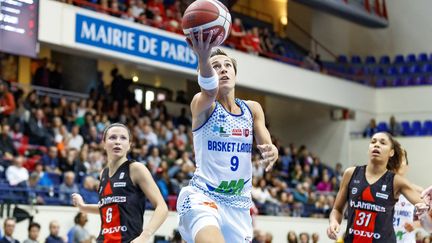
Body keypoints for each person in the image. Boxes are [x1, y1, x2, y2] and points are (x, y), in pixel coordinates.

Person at [176, 30, 278, 243]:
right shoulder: (203, 104)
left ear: (235, 74)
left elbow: (265, 144)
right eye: (216, 67)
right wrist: (204, 58)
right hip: (203, 197)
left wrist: (272, 150)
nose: (222, 69)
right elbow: (209, 92)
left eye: (227, 65)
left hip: (238, 206)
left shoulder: (252, 109)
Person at [72, 123, 168, 242]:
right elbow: (109, 207)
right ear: (104, 144)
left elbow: (162, 207)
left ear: (129, 145)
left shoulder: (136, 169)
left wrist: (145, 235)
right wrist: (83, 207)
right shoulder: (103, 174)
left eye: (123, 138)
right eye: (112, 137)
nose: (118, 142)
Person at [327, 132, 426, 242]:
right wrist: (334, 222)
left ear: (391, 152)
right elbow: (337, 209)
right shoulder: (351, 173)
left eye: (382, 143)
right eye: (373, 142)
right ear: (368, 149)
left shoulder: (396, 181)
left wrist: (425, 207)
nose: (376, 145)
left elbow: (425, 205)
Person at [394, 149, 423, 243]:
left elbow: (429, 219)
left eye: (401, 159)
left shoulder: (418, 191)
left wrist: (417, 224)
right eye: (395, 158)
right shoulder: (377, 188)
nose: (397, 162)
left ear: (407, 166)